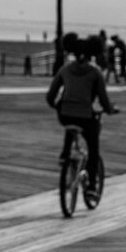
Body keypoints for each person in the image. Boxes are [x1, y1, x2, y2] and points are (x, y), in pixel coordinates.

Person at [46, 33, 118, 193]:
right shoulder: (95, 72)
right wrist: (110, 110)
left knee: (70, 123)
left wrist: (57, 106)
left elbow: (50, 96)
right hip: (85, 116)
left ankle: (65, 154)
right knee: (93, 148)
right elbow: (103, 100)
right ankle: (92, 185)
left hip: (65, 115)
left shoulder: (64, 70)